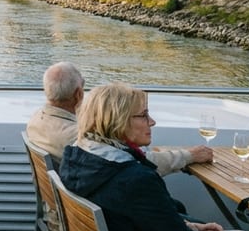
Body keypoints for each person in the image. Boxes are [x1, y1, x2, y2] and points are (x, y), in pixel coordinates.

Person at [59, 83, 249, 231]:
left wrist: (191, 227)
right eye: (144, 115)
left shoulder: (78, 159)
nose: (152, 121)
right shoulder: (134, 180)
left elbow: (134, 220)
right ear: (117, 122)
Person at [26, 62, 210, 172]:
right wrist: (188, 156)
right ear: (79, 94)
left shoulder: (36, 121)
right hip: (107, 220)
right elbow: (137, 165)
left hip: (71, 211)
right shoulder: (79, 138)